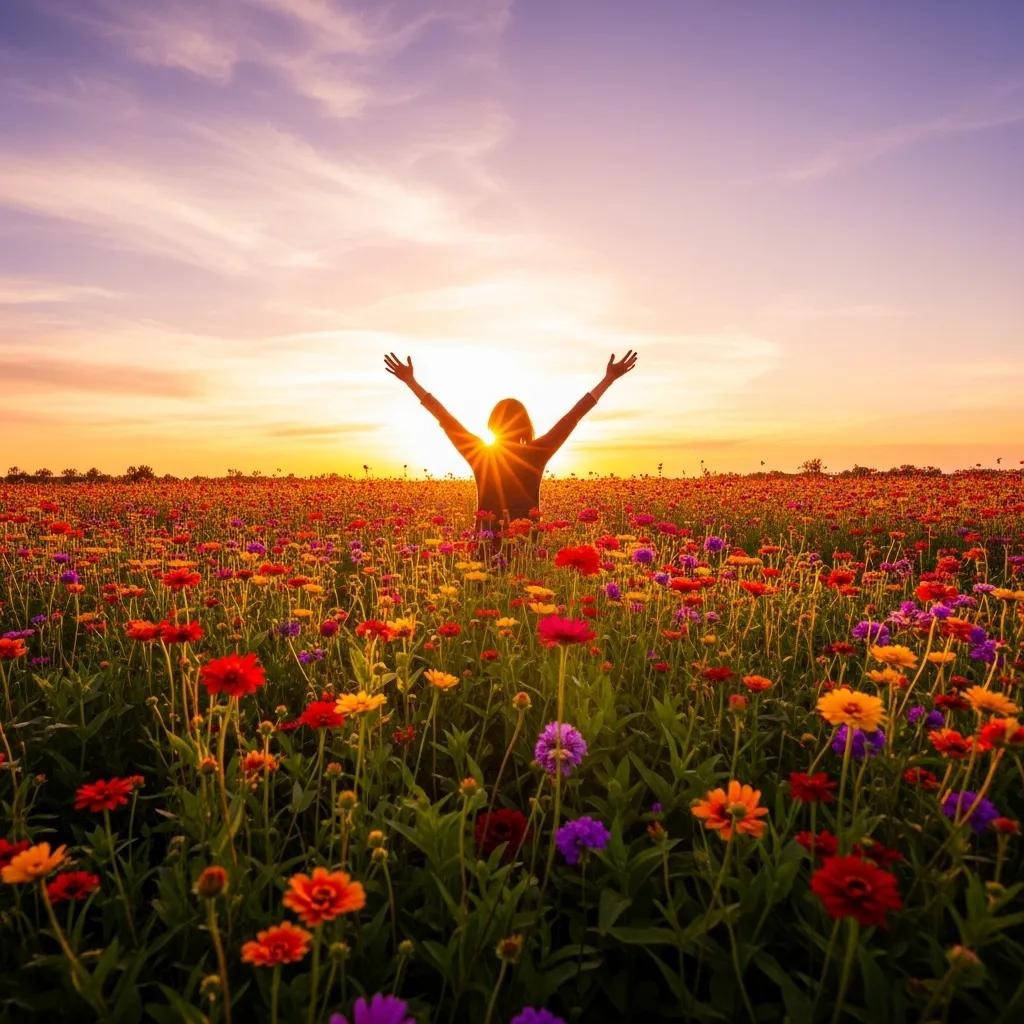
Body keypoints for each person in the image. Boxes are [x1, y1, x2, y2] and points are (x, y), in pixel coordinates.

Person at [384, 351, 637, 531]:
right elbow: (573, 416)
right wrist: (607, 380)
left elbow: (444, 418)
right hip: (527, 544)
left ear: (492, 424)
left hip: (486, 540)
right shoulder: (537, 452)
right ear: (526, 425)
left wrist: (411, 382)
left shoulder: (480, 454)